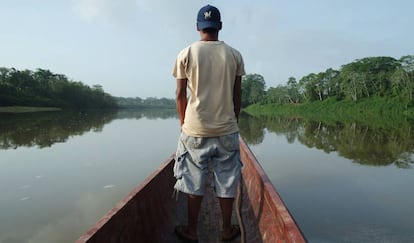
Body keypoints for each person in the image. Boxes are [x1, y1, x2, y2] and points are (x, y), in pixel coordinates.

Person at [172, 4, 245, 243]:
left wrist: (184, 123)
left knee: (193, 181)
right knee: (227, 181)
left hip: (195, 129)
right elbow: (237, 96)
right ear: (220, 27)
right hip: (227, 129)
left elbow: (180, 94)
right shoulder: (234, 55)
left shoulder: (186, 53)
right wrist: (233, 120)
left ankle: (192, 231)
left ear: (197, 27)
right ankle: (226, 230)